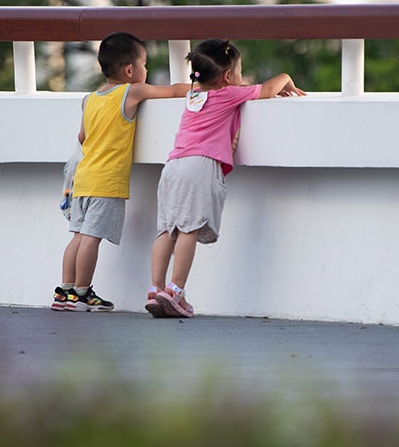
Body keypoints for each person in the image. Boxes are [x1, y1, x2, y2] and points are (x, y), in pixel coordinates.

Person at [147, 38, 304, 319]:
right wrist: (287, 78)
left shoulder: (194, 95)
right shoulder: (228, 94)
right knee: (188, 229)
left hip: (172, 165)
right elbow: (268, 90)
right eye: (240, 72)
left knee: (166, 229)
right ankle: (175, 290)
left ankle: (155, 288)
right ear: (228, 77)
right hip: (199, 165)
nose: (242, 79)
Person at [52, 33, 188, 310]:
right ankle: (82, 293)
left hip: (84, 178)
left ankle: (64, 293)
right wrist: (201, 87)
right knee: (91, 239)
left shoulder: (88, 99)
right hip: (106, 181)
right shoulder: (132, 91)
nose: (146, 71)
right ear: (130, 70)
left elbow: (82, 136)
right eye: (145, 65)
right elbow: (172, 91)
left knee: (77, 235)